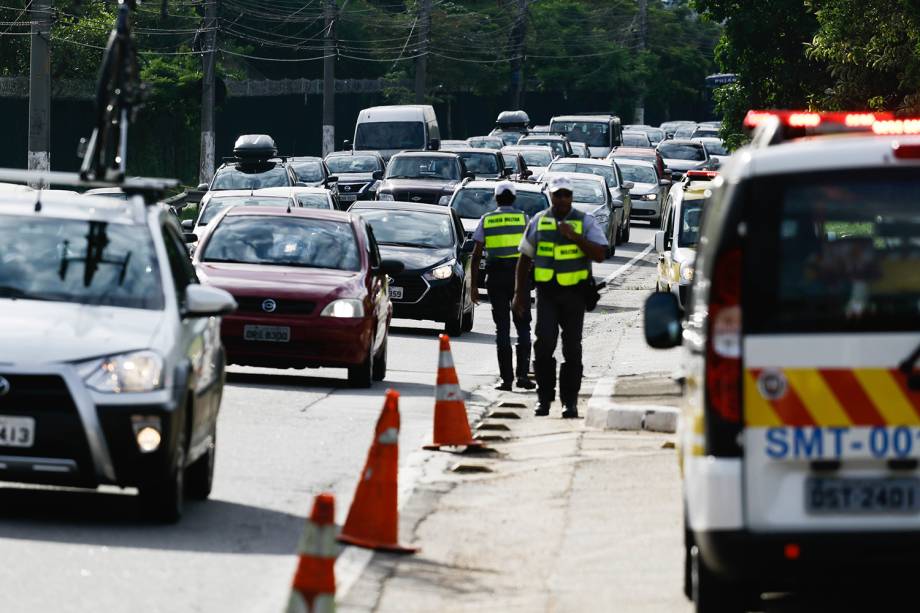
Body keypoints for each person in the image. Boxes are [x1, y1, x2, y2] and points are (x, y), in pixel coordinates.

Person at [512, 176, 607, 418]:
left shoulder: (585, 222)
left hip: (574, 295)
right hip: (547, 294)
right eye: (558, 194)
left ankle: (570, 402)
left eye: (566, 194)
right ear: (551, 196)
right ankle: (544, 399)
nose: (562, 199)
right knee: (543, 343)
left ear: (572, 197)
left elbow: (600, 254)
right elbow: (524, 259)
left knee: (572, 348)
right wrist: (519, 294)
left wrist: (575, 237)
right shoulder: (539, 221)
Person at [470, 181, 536, 391]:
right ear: (514, 198)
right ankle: (523, 376)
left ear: (496, 198)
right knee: (523, 325)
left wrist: (473, 285)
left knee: (502, 329)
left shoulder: (487, 220)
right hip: (520, 278)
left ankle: (506, 380)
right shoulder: (524, 219)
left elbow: (476, 254)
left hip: (496, 278)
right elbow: (532, 251)